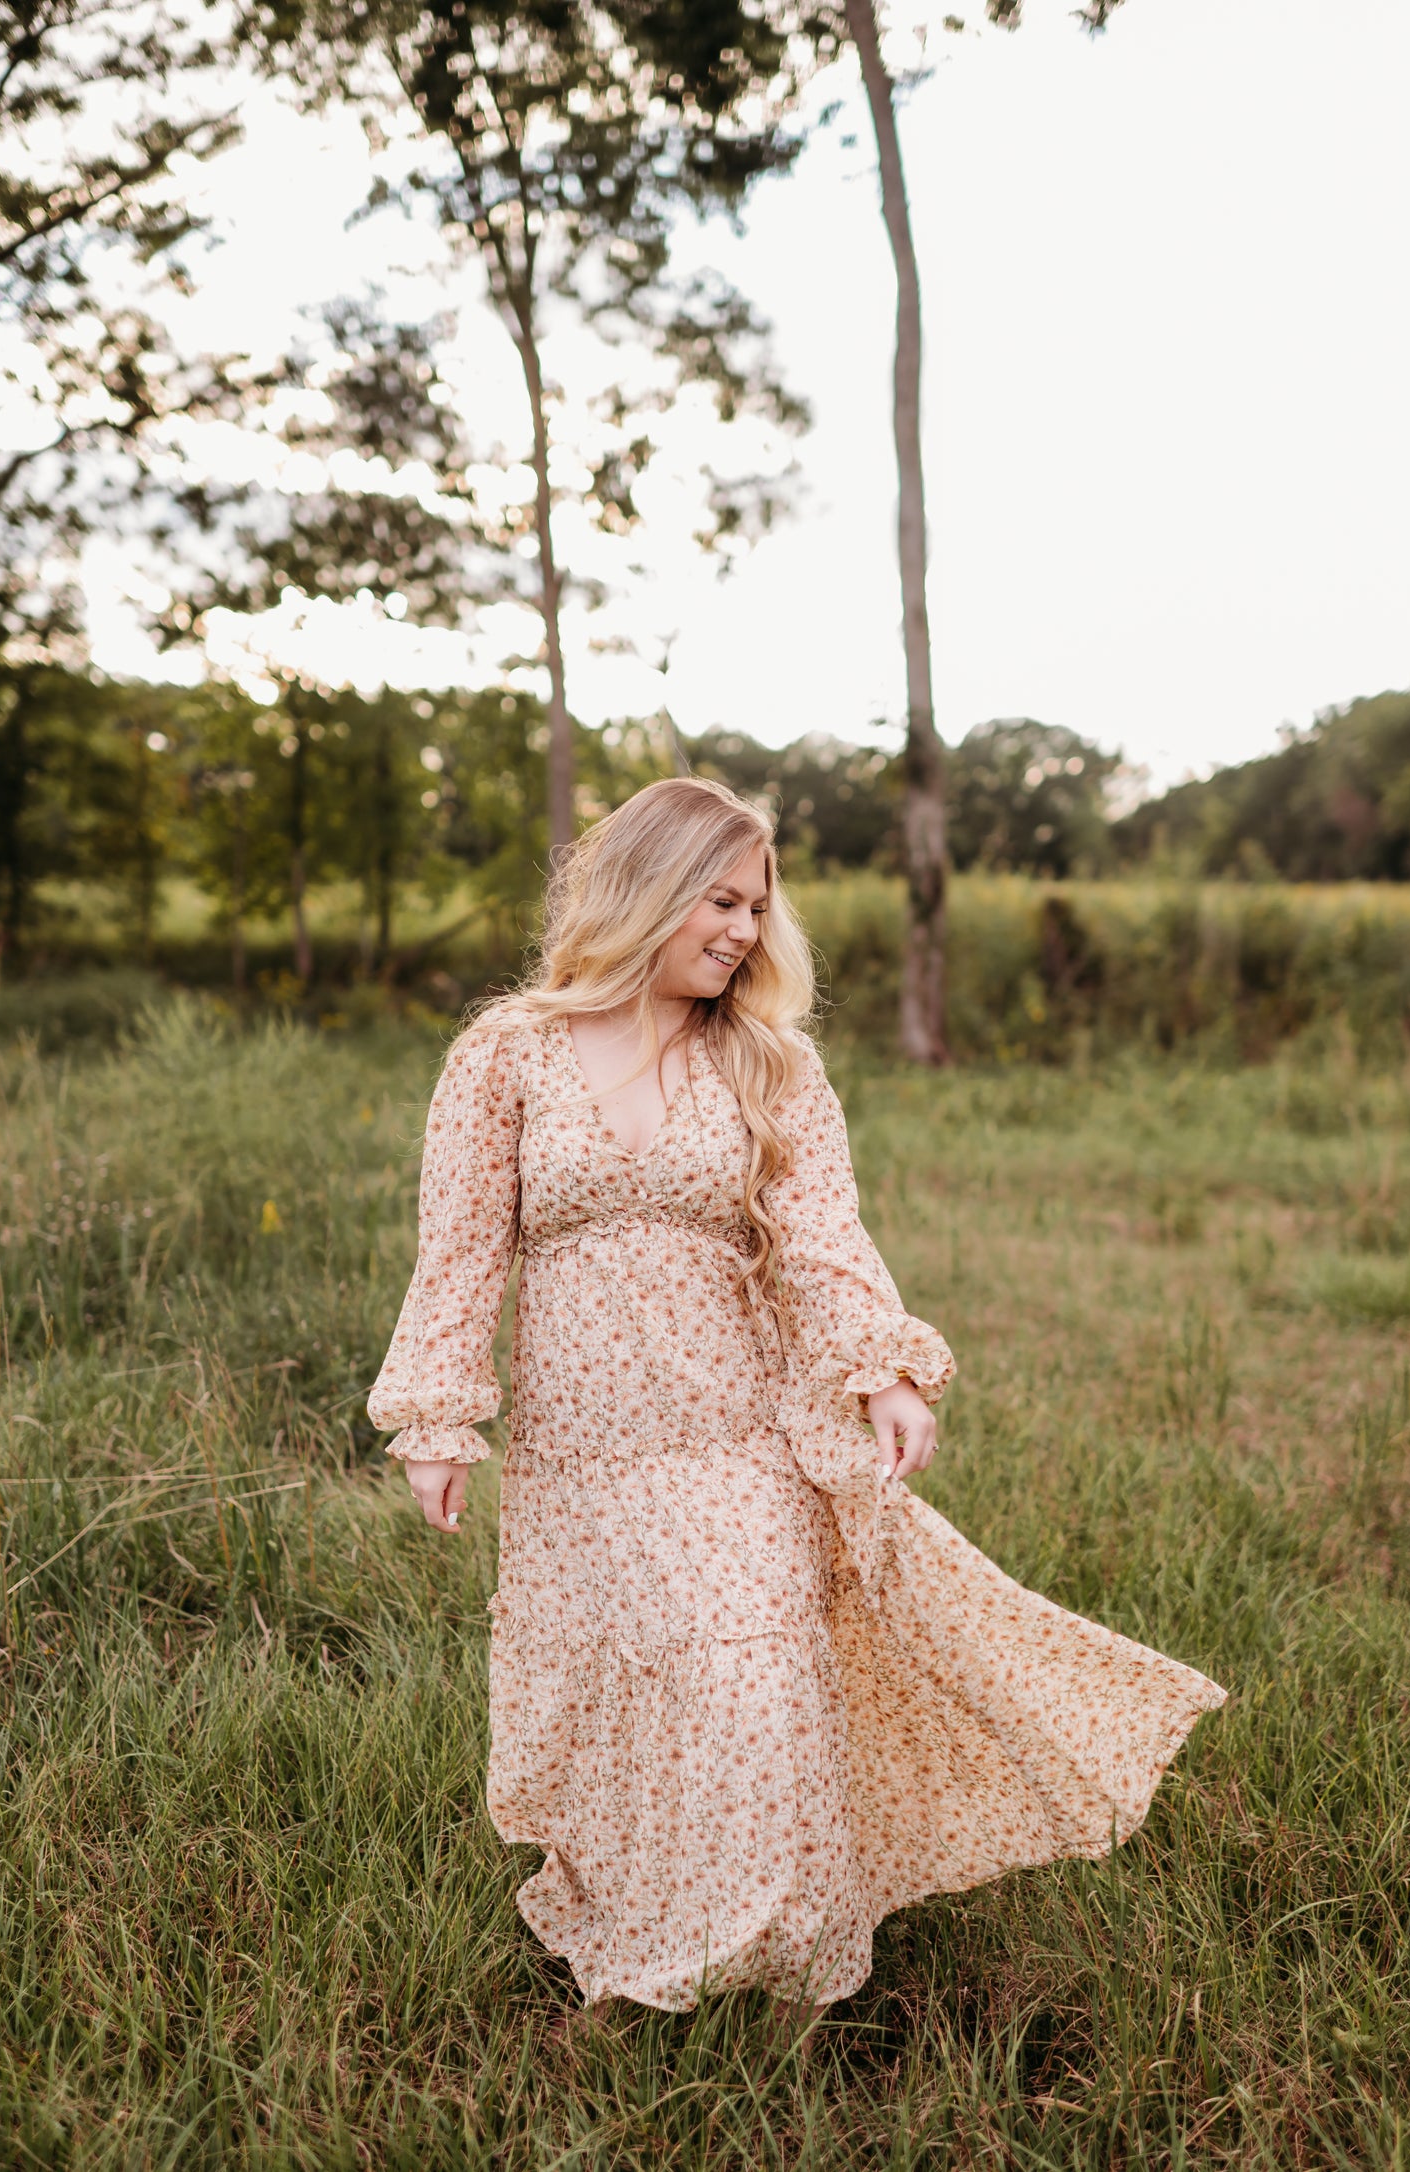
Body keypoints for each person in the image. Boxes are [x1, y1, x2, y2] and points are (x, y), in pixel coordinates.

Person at [369, 776, 1224, 2014]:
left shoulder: (766, 1060)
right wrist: (440, 1419)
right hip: (582, 1455)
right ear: (644, 889)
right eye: (718, 900)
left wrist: (880, 1367)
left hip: (734, 1433)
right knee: (632, 1697)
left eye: (756, 909)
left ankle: (775, 1980)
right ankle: (651, 1938)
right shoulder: (507, 1054)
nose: (742, 932)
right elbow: (456, 1252)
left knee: (753, 1691)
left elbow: (819, 1234)